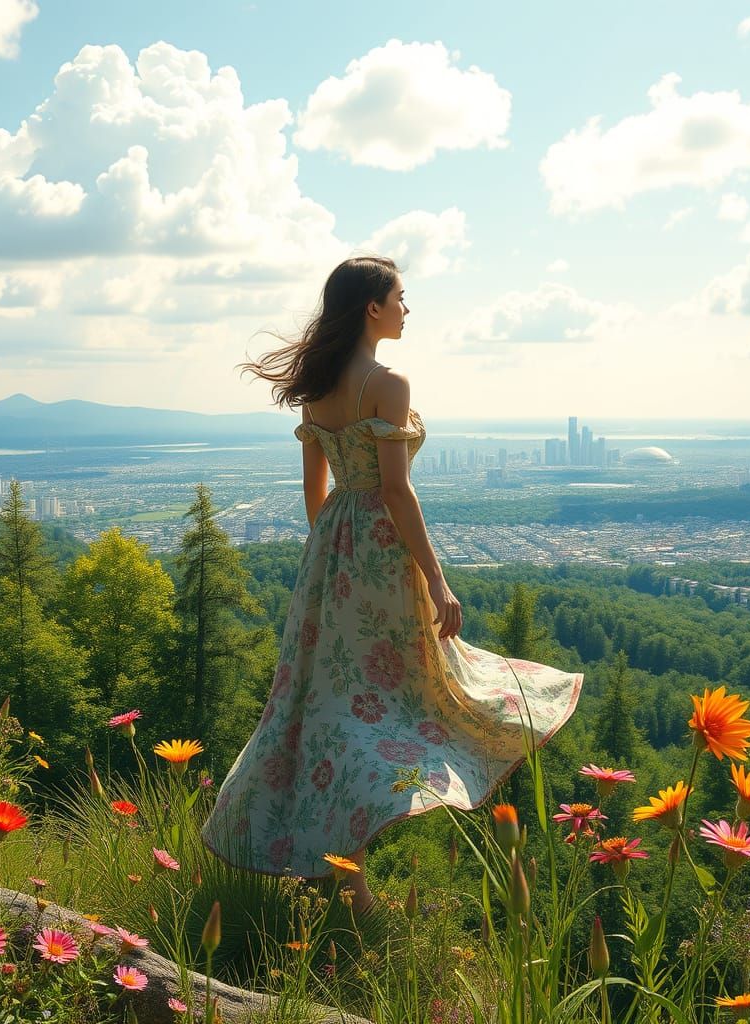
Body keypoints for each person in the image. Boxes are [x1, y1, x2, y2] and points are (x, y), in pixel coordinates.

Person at [200, 255, 583, 913]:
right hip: (380, 549)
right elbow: (397, 491)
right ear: (373, 307)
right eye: (401, 298)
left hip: (331, 554)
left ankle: (329, 864)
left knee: (328, 701)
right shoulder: (388, 383)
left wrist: (331, 561)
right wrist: (437, 581)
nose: (408, 309)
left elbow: (312, 493)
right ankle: (352, 873)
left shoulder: (315, 383)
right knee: (410, 695)